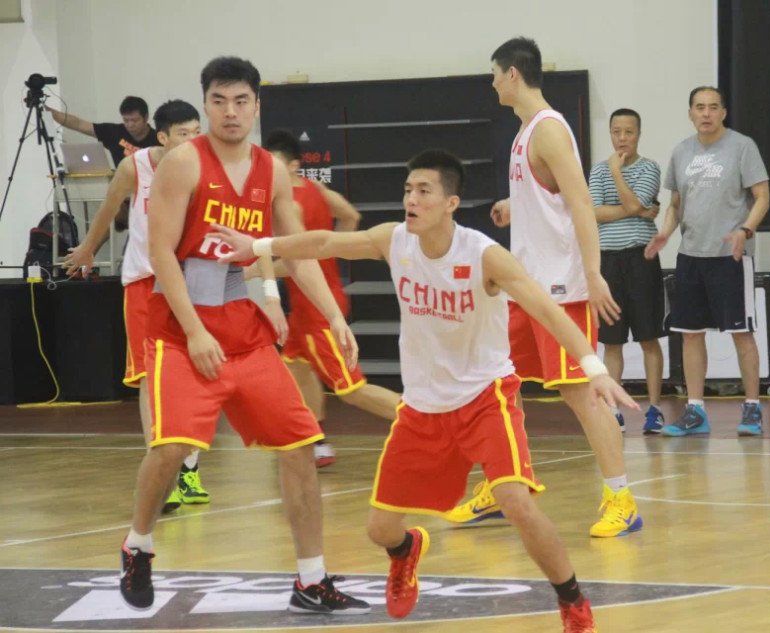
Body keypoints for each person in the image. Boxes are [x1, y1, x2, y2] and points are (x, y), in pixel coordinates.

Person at [211, 149, 634, 632]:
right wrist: (259, 245)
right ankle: (407, 549)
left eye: (423, 191)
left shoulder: (484, 256)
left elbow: (548, 311)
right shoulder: (394, 240)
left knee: (515, 500)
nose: (411, 199)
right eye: (408, 190)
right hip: (423, 408)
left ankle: (572, 602)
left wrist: (594, 368)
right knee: (380, 530)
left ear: (450, 203)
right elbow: (325, 241)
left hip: (486, 397)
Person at [116, 56, 368, 617]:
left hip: (245, 335)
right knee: (171, 447)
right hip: (182, 333)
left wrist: (333, 316)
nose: (230, 112)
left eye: (241, 101)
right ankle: (138, 544)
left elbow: (295, 252)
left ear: (256, 105)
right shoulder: (183, 164)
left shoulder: (270, 171)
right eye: (219, 101)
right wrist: (194, 331)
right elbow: (161, 254)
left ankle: (311, 579)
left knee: (300, 448)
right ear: (206, 104)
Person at [448, 36, 641, 539]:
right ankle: (504, 486)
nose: (492, 84)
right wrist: (515, 206)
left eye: (495, 75)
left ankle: (621, 499)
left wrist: (593, 273)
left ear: (512, 74)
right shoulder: (524, 131)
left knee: (583, 395)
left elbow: (580, 202)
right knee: (497, 387)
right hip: (525, 288)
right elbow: (550, 197)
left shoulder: (549, 129)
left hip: (561, 289)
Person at [62, 100, 209, 512]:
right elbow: (109, 207)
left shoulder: (204, 168)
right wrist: (88, 248)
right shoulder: (136, 167)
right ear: (162, 137)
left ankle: (189, 468)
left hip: (192, 282)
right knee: (150, 376)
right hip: (145, 283)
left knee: (197, 373)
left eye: (196, 132)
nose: (192, 141)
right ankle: (161, 471)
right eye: (184, 134)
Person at [258, 130, 401, 466]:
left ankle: (427, 422)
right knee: (296, 368)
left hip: (316, 307)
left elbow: (295, 261)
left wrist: (253, 272)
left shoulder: (289, 205)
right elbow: (350, 215)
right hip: (311, 304)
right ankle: (316, 440)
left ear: (293, 166)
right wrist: (333, 253)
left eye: (275, 164)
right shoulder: (317, 190)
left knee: (351, 389)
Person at [644, 86, 770, 437]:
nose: (706, 113)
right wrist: (666, 232)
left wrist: (745, 229)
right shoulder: (682, 151)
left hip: (730, 256)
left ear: (723, 112)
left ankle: (752, 407)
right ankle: (695, 411)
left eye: (713, 107)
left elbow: (762, 196)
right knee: (690, 334)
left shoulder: (742, 146)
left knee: (741, 333)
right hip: (691, 256)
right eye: (700, 107)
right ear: (690, 113)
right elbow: (675, 203)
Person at [589, 107, 665, 434]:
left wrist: (617, 174)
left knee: (648, 337)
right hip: (608, 261)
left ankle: (655, 409)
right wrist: (636, 210)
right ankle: (613, 411)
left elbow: (635, 203)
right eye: (616, 132)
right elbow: (595, 213)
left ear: (638, 134)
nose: (622, 138)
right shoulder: (597, 170)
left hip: (641, 259)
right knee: (612, 341)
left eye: (629, 132)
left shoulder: (649, 168)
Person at [47, 96, 160, 167]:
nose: (130, 125)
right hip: (122, 190)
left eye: (135, 120)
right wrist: (49, 112)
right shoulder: (114, 132)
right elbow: (79, 124)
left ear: (146, 117)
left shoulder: (159, 139)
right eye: (126, 120)